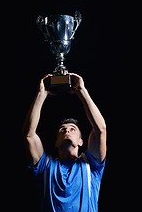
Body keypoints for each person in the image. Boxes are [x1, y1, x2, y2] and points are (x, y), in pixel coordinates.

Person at [23, 72, 107, 212]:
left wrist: (81, 90)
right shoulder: (45, 166)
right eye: (62, 130)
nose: (67, 131)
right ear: (56, 142)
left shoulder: (91, 166)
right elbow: (29, 135)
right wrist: (41, 94)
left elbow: (100, 129)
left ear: (81, 141)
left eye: (72, 129)